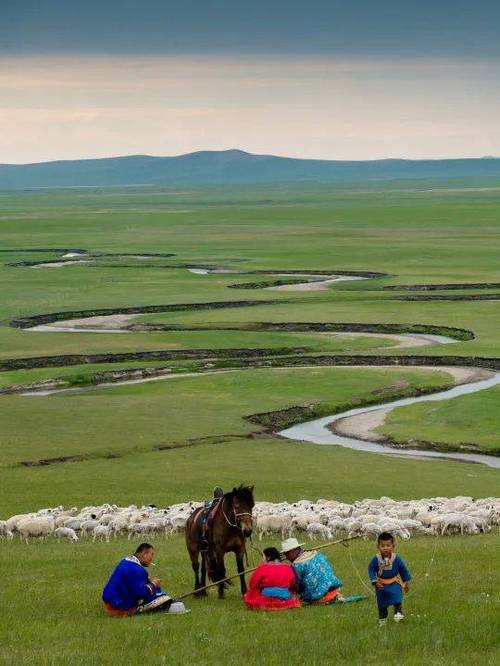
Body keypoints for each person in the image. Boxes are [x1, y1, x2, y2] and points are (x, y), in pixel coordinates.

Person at [102, 542, 172, 615]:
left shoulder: (126, 561)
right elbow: (140, 593)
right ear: (144, 554)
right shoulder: (136, 569)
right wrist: (153, 584)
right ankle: (136, 610)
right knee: (164, 598)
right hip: (119, 606)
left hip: (110, 602)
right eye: (151, 555)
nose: (152, 559)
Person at [281, 538, 343, 604]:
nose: (287, 557)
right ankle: (333, 596)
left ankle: (323, 599)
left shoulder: (296, 565)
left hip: (318, 596)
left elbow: (297, 587)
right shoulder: (317, 554)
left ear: (292, 551)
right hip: (333, 589)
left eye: (287, 554)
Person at [368, 531, 411, 625]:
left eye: (388, 545)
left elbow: (403, 569)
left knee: (397, 600)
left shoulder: (396, 558)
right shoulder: (376, 559)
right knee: (382, 604)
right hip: (381, 585)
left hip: (394, 583)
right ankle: (382, 620)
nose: (385, 548)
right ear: (378, 547)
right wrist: (375, 581)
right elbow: (371, 569)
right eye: (383, 546)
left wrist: (406, 581)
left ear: (393, 546)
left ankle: (398, 615)